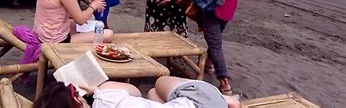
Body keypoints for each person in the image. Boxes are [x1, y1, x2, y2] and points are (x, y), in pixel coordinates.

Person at [33, 76, 240, 108]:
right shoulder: (104, 99)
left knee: (152, 94)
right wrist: (98, 90)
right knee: (159, 82)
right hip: (203, 102)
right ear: (78, 103)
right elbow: (133, 91)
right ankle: (229, 99)